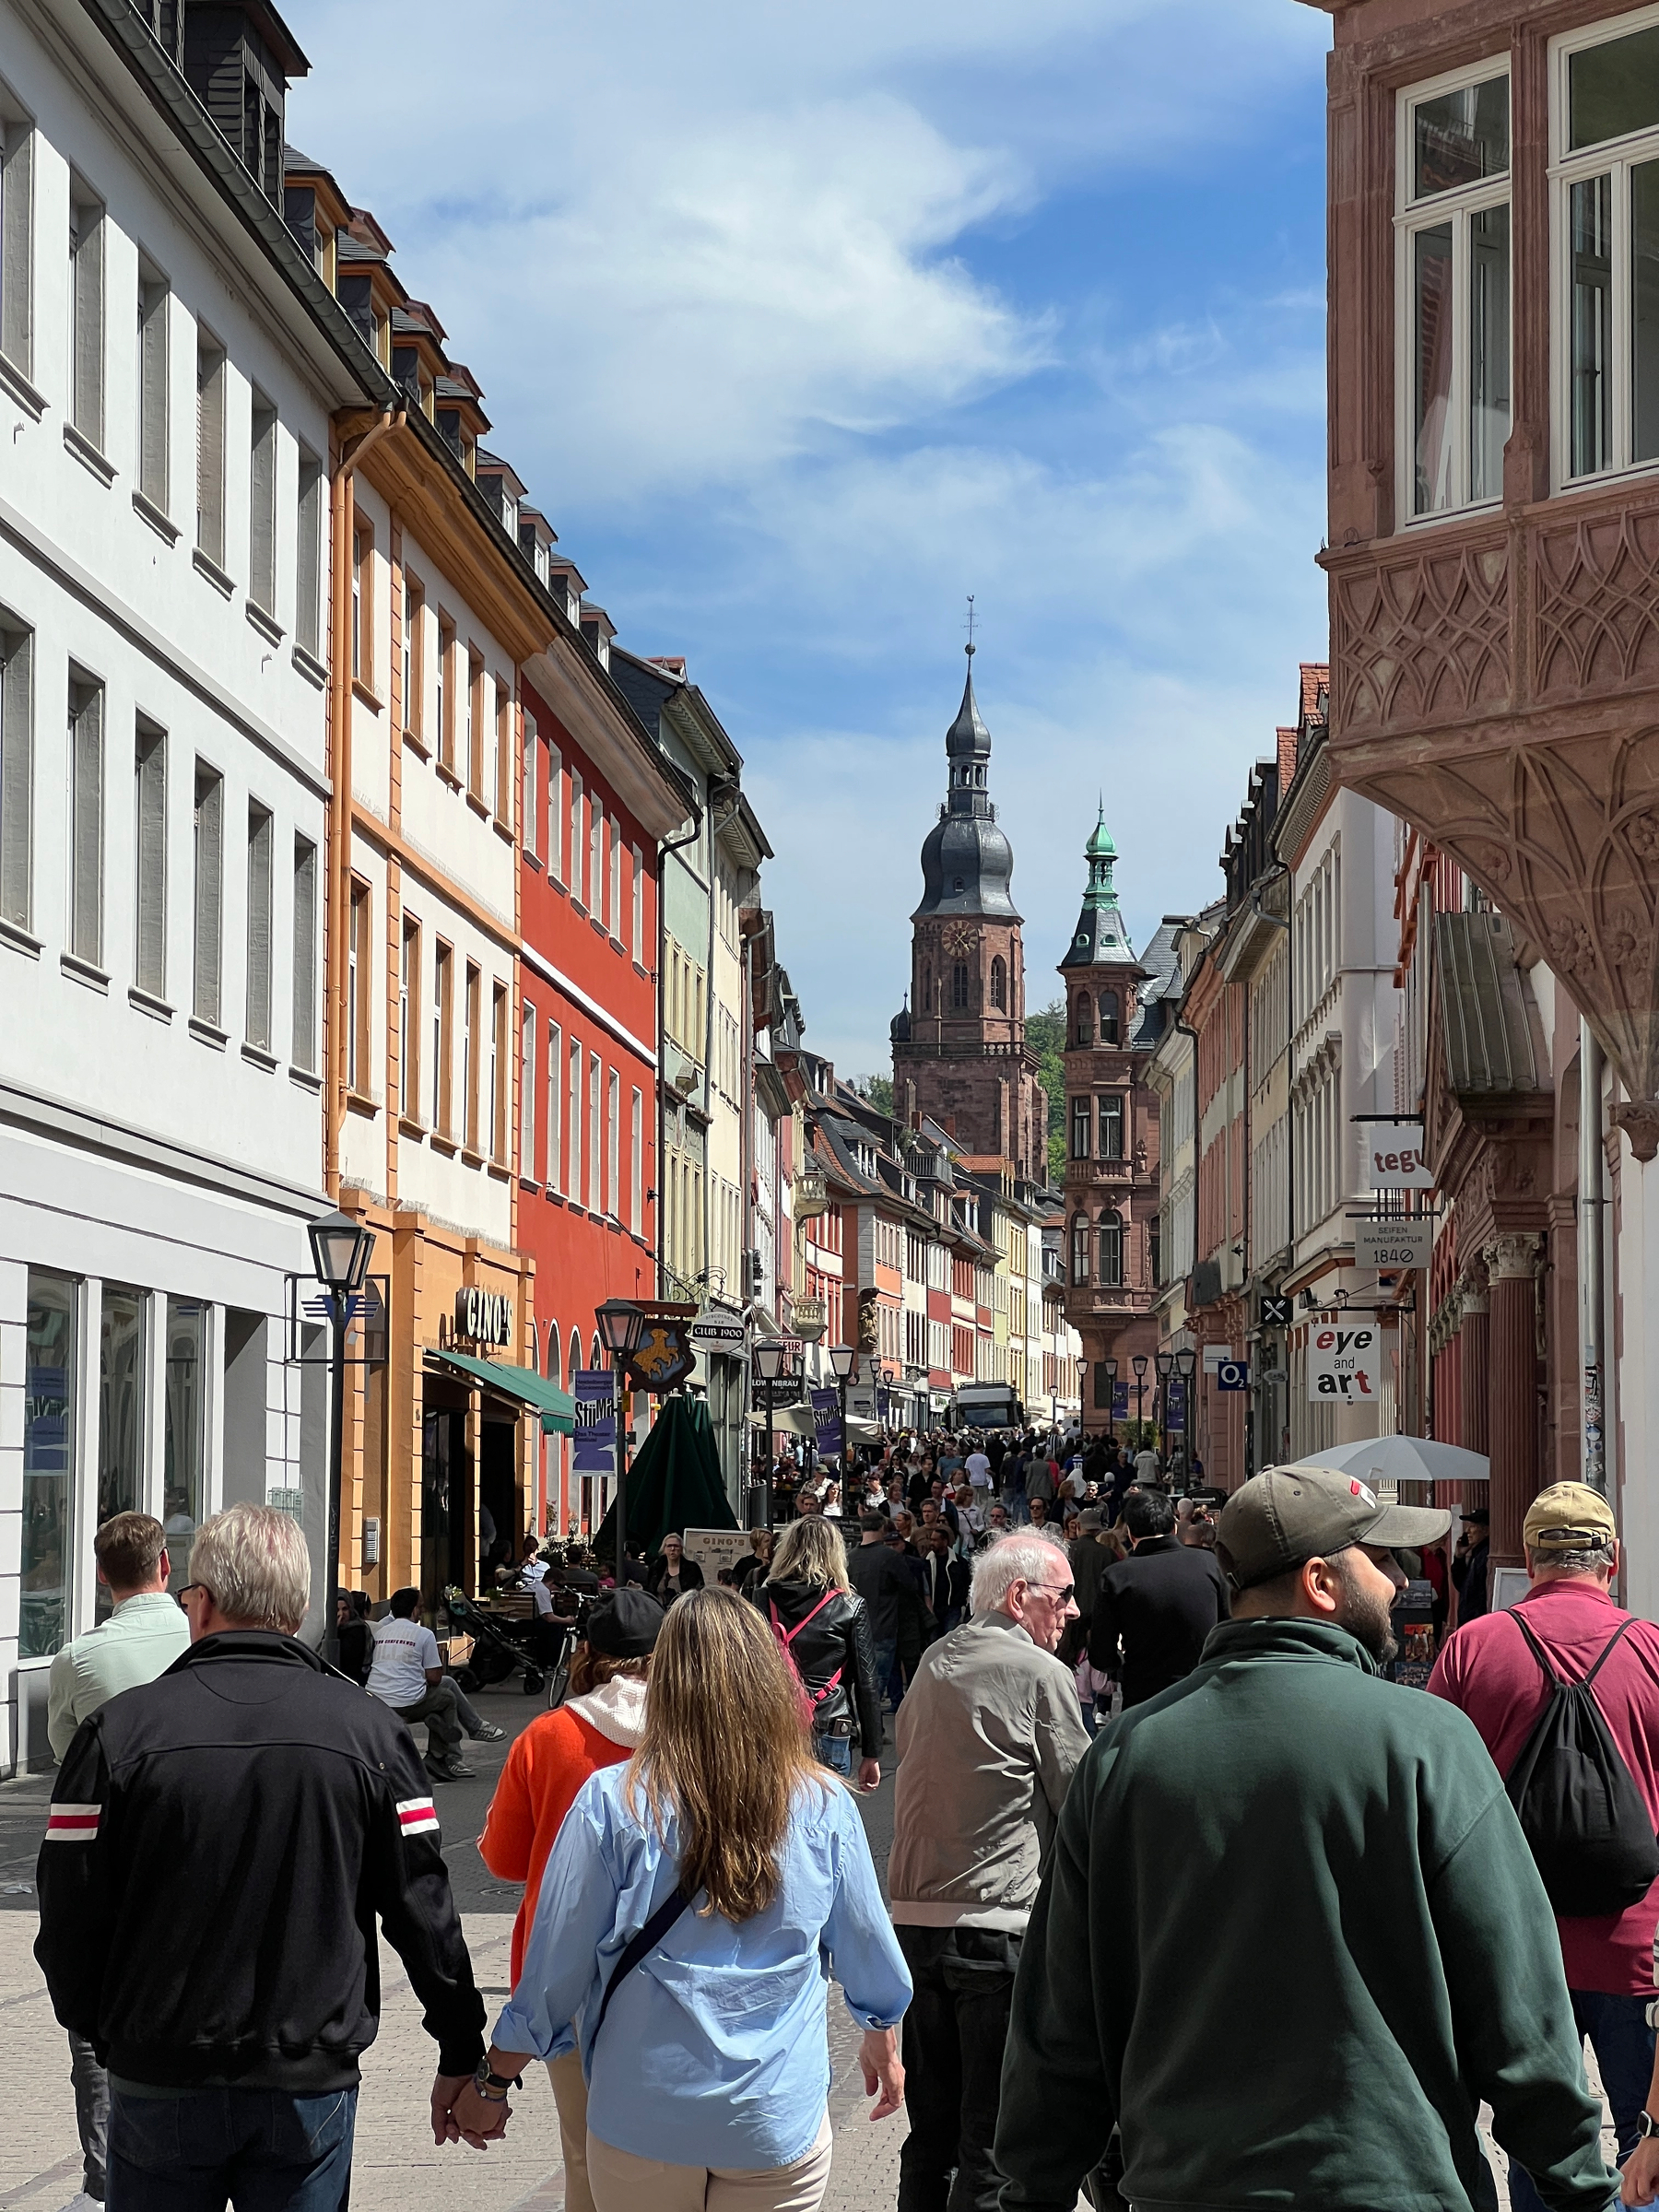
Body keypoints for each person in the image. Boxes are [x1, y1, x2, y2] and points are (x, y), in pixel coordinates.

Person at [995, 1465, 1619, 2212]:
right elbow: (1518, 2004)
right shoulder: (1426, 1743)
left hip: (1189, 2188)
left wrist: (1033, 2190)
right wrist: (1579, 2183)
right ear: (1321, 1582)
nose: (1397, 1582)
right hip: (1396, 2185)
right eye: (1381, 1560)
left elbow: (1060, 2026)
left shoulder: (1125, 1756)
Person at [37, 1504, 487, 2212]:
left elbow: (67, 1910)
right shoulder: (371, 1733)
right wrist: (462, 2045)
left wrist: (103, 2028)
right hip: (309, 2075)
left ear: (203, 1602)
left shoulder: (115, 1733)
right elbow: (423, 1904)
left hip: (160, 2067)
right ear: (301, 1606)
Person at [448, 1590, 912, 2207]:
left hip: (644, 2112)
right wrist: (879, 2028)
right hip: (773, 2114)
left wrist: (493, 2078)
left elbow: (555, 1969)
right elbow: (866, 1949)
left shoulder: (612, 1800)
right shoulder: (824, 1803)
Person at [1430, 1483, 1659, 2210]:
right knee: (1645, 2147)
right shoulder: (1653, 1651)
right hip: (1638, 1949)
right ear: (1613, 1560)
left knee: (1536, 2150)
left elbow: (1430, 1800)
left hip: (1510, 1953)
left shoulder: (1473, 1648)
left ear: (1529, 1560)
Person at [888, 1535, 1089, 2212]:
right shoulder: (1039, 1673)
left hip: (915, 1927)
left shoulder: (935, 1659)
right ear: (1019, 1596)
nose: (1074, 1610)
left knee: (930, 2137)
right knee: (988, 2142)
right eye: (1062, 1595)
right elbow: (1082, 1799)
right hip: (995, 1931)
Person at [478, 1589, 663, 2212]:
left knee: (586, 2154)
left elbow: (504, 1860)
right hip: (669, 1966)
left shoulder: (548, 1735)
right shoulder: (693, 1733)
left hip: (563, 1970)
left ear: (588, 1653)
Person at [45, 1512, 191, 2212]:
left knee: (95, 2040)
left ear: (102, 1574)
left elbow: (66, 1762)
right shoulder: (202, 1635)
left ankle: (106, 2181)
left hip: (111, 1867)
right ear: (166, 1565)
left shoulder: (78, 1659)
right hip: (197, 1858)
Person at [753, 1513, 882, 1785]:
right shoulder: (849, 1605)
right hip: (829, 1723)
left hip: (772, 1724)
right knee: (828, 1817)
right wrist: (872, 1753)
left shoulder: (761, 1599)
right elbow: (866, 1683)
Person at [1088, 1487, 1229, 1708]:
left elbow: (1100, 1654)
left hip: (1144, 1698)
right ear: (1174, 1528)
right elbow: (1229, 1625)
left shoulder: (1117, 1577)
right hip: (1203, 1691)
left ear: (1131, 1535)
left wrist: (1122, 1668)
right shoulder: (1209, 1564)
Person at [366, 1585, 476, 1780]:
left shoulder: (380, 1632)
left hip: (376, 1698)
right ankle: (439, 1756)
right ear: (414, 1610)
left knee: (436, 1700)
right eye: (421, 1606)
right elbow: (435, 1678)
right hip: (408, 1702)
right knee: (447, 1698)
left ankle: (434, 1721)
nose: (423, 1610)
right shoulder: (424, 1634)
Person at [849, 1509, 919, 1716]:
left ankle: (863, 1727)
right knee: (875, 1685)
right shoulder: (890, 1557)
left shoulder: (849, 1558)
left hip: (855, 1630)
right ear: (882, 1528)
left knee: (857, 1683)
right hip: (883, 1628)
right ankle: (868, 1730)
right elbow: (911, 1585)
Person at [920, 1523, 971, 1641]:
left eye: (935, 1540)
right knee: (933, 1642)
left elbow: (966, 1584)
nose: (931, 1543)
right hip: (932, 1609)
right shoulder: (925, 1562)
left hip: (952, 1609)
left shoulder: (960, 1563)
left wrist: (962, 1606)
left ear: (945, 1541)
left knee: (949, 1640)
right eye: (931, 1540)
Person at [1453, 1503, 1492, 1624]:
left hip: (1476, 1623)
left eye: (1473, 1526)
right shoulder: (1476, 1553)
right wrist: (1459, 1557)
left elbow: (1481, 1595)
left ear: (1486, 1530)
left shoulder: (1485, 1555)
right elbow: (1461, 1585)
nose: (1468, 1531)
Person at [646, 1531, 705, 1607]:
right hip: (657, 1610)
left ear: (681, 1549)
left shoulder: (692, 1568)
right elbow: (649, 1590)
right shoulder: (655, 1567)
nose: (672, 1549)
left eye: (676, 1546)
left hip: (683, 1611)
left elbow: (699, 1592)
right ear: (664, 1549)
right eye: (669, 1546)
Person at [733, 1529, 773, 1596]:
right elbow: (735, 1588)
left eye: (771, 1541)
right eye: (766, 1541)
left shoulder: (775, 1562)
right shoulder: (744, 1563)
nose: (770, 1544)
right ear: (757, 1543)